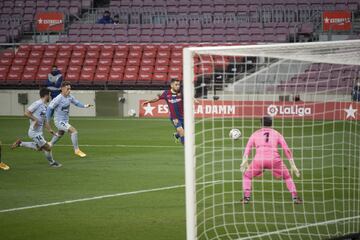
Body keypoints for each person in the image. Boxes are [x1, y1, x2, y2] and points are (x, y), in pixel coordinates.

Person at [240, 116, 302, 204]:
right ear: (271, 124)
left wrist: (244, 161)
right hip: (274, 160)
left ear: (261, 124)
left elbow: (247, 149)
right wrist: (293, 165)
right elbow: (287, 149)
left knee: (247, 176)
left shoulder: (255, 134)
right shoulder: (277, 133)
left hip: (259, 160)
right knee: (287, 177)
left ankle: (246, 198)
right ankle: (295, 197)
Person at [11, 88, 62, 168]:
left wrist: (50, 130)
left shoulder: (45, 106)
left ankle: (20, 143)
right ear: (46, 95)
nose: (50, 96)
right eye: (49, 95)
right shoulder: (37, 103)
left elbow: (45, 121)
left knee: (39, 148)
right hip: (34, 132)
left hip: (39, 132)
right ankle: (52, 163)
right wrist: (35, 119)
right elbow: (26, 113)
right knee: (48, 148)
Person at [46, 81, 93, 157]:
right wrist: (47, 122)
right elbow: (49, 109)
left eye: (70, 89)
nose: (69, 90)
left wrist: (85, 105)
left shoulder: (70, 97)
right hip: (59, 121)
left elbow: (77, 103)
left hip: (65, 120)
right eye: (67, 89)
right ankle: (77, 150)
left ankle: (50, 144)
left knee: (61, 132)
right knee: (74, 131)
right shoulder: (58, 98)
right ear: (62, 89)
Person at [142, 79, 186, 144]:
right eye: (176, 84)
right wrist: (148, 101)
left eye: (179, 84)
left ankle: (176, 135)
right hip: (174, 117)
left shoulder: (182, 92)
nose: (178, 86)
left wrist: (194, 100)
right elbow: (157, 99)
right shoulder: (166, 93)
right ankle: (185, 146)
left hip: (183, 116)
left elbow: (189, 97)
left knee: (185, 132)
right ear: (171, 85)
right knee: (181, 131)